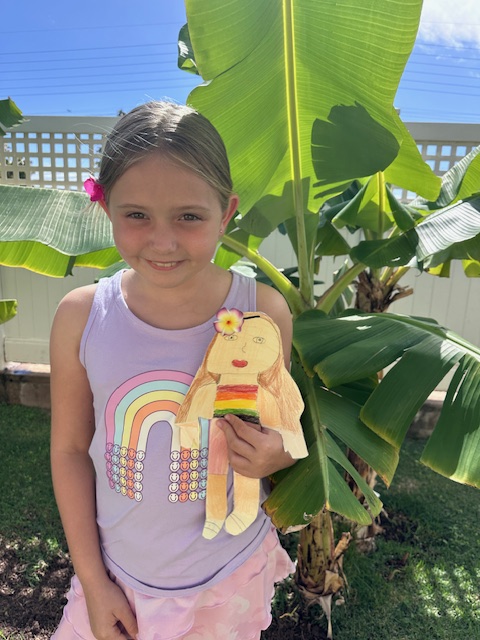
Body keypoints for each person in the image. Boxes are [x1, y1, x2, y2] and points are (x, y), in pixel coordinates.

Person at [50, 100, 305, 640]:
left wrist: (277, 453)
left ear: (226, 213)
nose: (162, 241)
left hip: (228, 579)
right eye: (136, 215)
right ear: (107, 208)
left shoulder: (262, 313)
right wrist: (93, 581)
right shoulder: (81, 317)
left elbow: (280, 429)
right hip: (117, 577)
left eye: (189, 216)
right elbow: (70, 449)